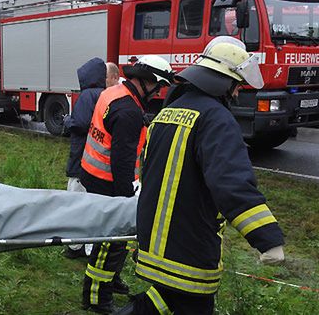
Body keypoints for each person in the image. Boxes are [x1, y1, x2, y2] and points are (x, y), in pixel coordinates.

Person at [115, 37, 285, 315]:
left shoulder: (167, 113)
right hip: (188, 247)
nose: (237, 93)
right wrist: (267, 238)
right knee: (189, 303)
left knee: (164, 299)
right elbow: (232, 184)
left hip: (153, 240)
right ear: (225, 83)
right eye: (237, 85)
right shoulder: (217, 120)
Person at [80, 56, 174, 313]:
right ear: (148, 81)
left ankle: (112, 279)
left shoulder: (115, 93)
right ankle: (97, 296)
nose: (159, 92)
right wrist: (128, 195)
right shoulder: (128, 111)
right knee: (110, 240)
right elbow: (122, 161)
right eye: (160, 86)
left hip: (92, 173)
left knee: (117, 239)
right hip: (109, 182)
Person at [63, 59, 120, 259]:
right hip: (99, 163)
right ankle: (92, 247)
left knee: (75, 204)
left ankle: (75, 247)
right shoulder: (108, 95)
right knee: (95, 206)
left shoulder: (87, 95)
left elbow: (80, 124)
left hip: (81, 160)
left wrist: (67, 120)